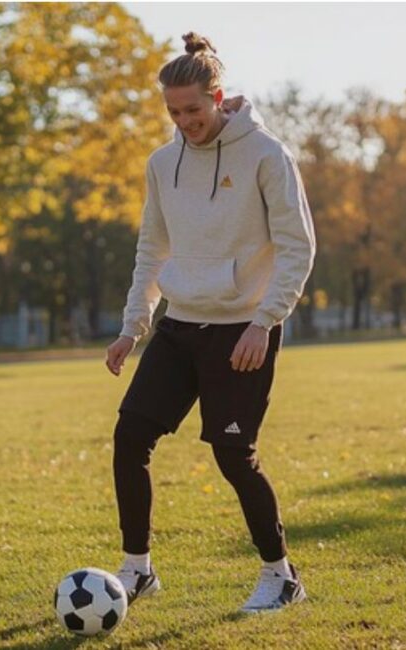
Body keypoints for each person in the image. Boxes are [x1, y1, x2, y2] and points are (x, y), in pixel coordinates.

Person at [104, 33, 315, 614]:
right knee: (130, 437)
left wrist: (264, 322)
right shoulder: (162, 163)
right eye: (173, 112)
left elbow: (297, 248)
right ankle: (138, 570)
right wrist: (133, 326)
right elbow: (152, 250)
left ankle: (282, 575)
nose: (183, 121)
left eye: (193, 109)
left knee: (232, 454)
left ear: (218, 97)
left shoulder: (267, 155)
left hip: (242, 328)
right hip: (180, 326)